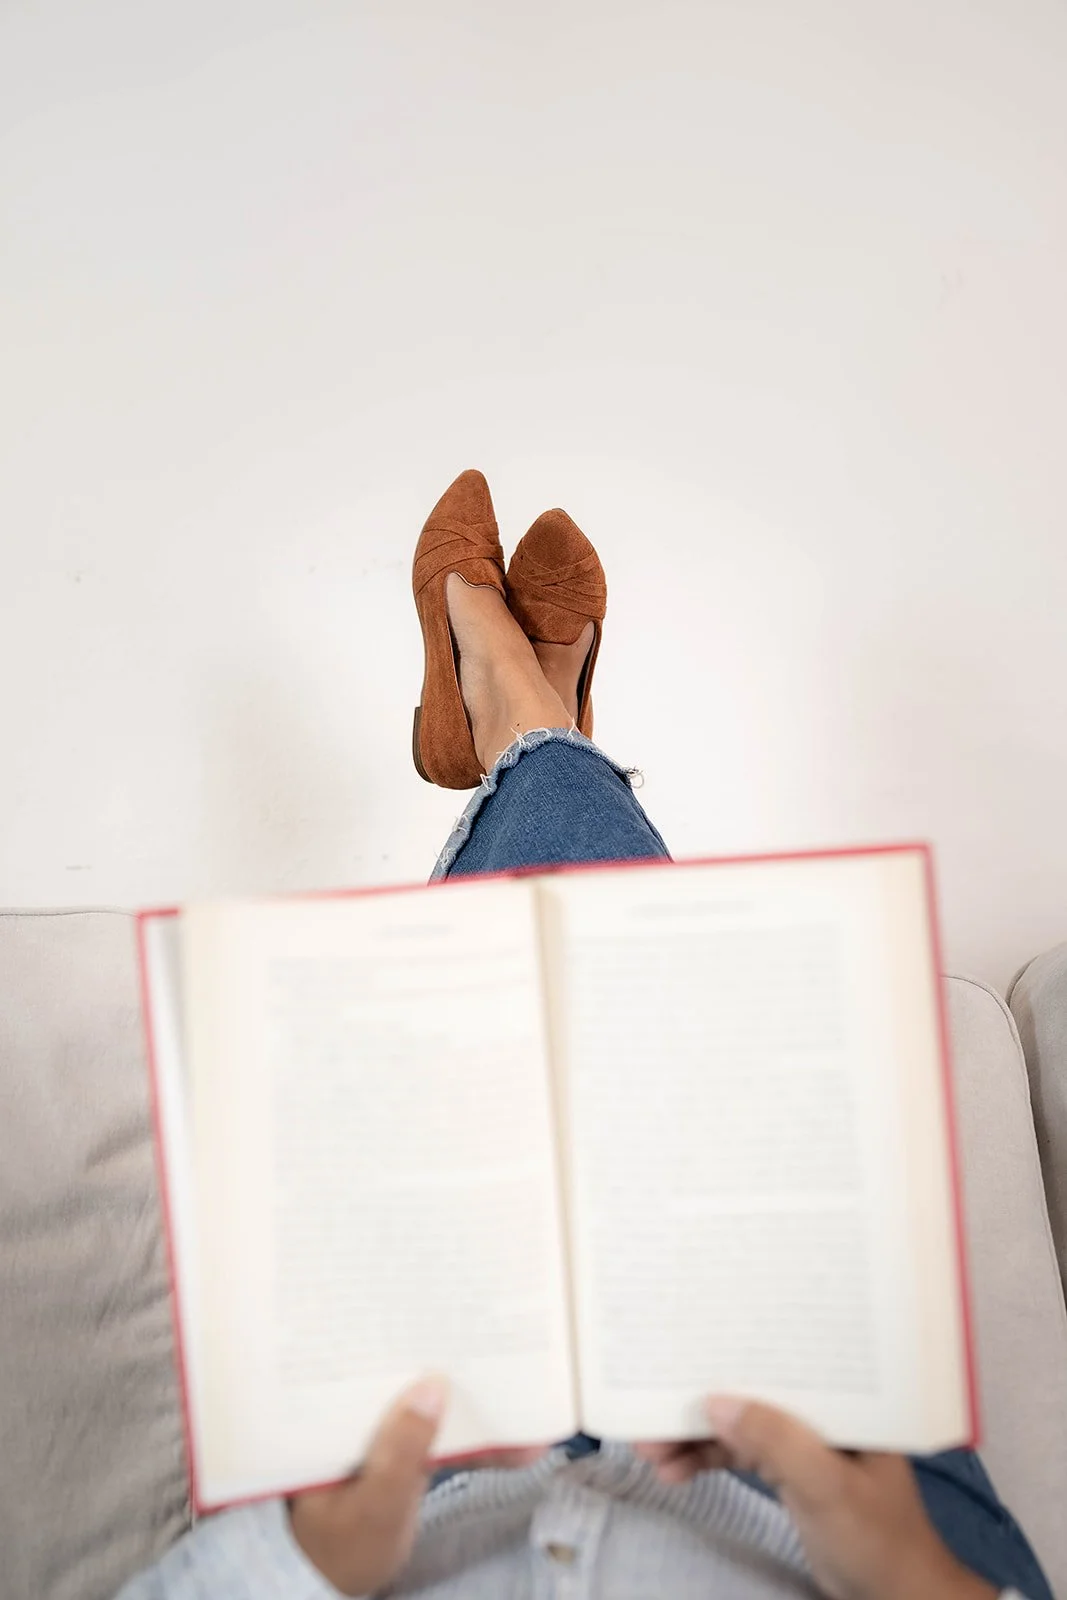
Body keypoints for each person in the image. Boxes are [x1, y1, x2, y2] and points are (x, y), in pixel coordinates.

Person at [117, 471, 1052, 1600]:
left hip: (427, 1497)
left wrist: (295, 1565)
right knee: (647, 1031)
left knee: (503, 1062)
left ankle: (513, 719)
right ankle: (530, 721)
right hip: (808, 1512)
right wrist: (912, 1577)